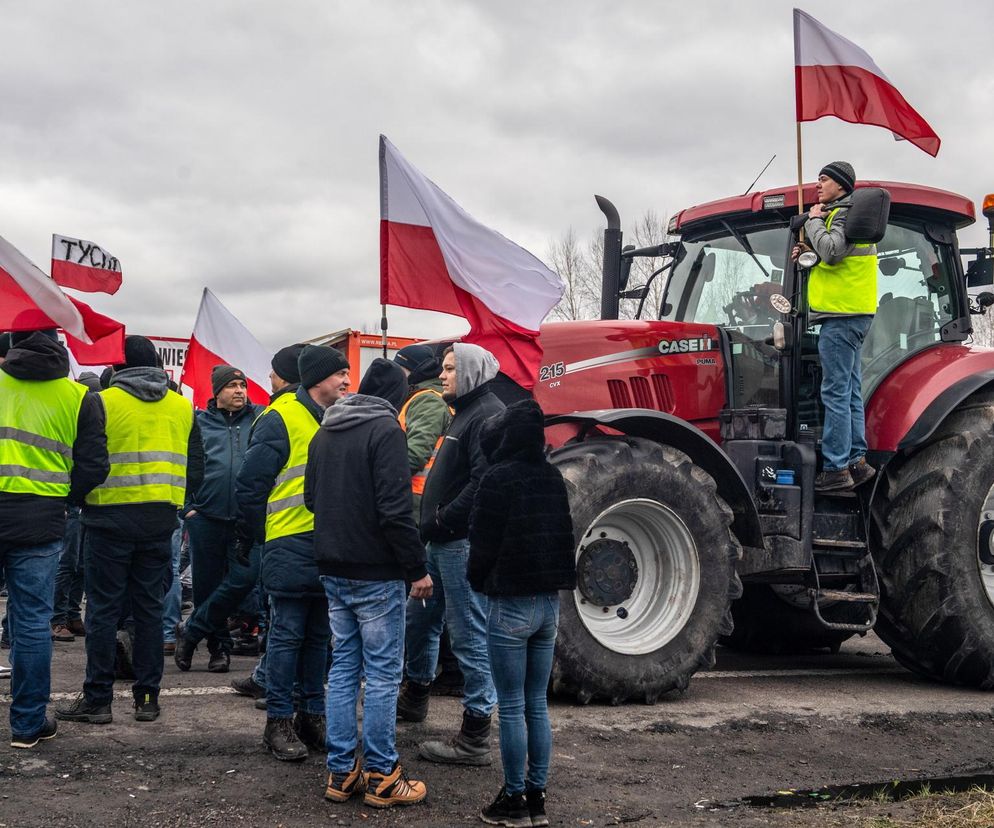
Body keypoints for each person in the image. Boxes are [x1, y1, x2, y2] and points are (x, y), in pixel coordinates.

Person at [56, 335, 203, 725]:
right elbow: (198, 467)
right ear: (156, 363)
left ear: (117, 366)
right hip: (159, 521)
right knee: (150, 612)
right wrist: (180, 504)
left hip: (107, 520)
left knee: (103, 612)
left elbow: (87, 461)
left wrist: (76, 498)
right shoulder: (181, 406)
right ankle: (147, 699)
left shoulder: (101, 401)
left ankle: (98, 699)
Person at [306, 358, 432, 808]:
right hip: (376, 572)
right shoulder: (386, 432)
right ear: (395, 398)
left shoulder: (325, 431)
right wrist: (416, 568)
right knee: (381, 675)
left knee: (342, 670)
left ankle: (342, 773)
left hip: (333, 566)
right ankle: (382, 773)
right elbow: (396, 511)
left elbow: (310, 498)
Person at [468, 399, 576, 827]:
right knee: (536, 703)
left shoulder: (497, 479)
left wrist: (478, 581)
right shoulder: (552, 477)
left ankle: (513, 800)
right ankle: (537, 798)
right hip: (549, 604)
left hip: (509, 603)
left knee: (510, 706)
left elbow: (481, 544)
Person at [237, 345, 347, 761]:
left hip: (329, 543)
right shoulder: (280, 417)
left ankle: (311, 715)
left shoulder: (337, 417)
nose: (346, 380)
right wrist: (255, 536)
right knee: (286, 635)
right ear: (317, 379)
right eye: (340, 373)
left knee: (320, 635)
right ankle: (278, 721)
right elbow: (251, 485)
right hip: (287, 541)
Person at [1, 330, 109, 748]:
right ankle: (27, 725)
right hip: (41, 518)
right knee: (31, 623)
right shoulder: (80, 396)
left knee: (28, 622)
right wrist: (65, 498)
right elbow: (94, 464)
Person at [399, 343, 504, 766]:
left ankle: (475, 735)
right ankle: (415, 697)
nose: (442, 376)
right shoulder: (465, 410)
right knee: (420, 620)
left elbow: (483, 483)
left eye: (449, 369)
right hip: (440, 542)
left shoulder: (488, 414)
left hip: (460, 543)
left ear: (473, 372)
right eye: (442, 368)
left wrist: (442, 518)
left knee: (469, 635)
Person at [793, 161, 878, 492]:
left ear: (841, 185)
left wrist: (813, 222)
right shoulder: (847, 216)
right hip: (853, 314)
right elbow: (832, 255)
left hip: (842, 317)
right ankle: (856, 461)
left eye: (824, 179)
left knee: (835, 392)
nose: (818, 184)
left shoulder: (840, 214)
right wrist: (807, 248)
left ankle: (836, 468)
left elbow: (831, 251)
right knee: (851, 390)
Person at [175, 365, 263, 673]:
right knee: (206, 586)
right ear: (217, 391)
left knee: (245, 579)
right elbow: (181, 464)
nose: (240, 390)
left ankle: (192, 631)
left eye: (243, 384)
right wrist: (187, 507)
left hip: (246, 519)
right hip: (206, 517)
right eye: (232, 386)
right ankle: (219, 650)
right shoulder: (197, 423)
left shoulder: (260, 418)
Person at [230, 344, 304, 707]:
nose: (269, 379)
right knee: (303, 623)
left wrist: (249, 532)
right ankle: (271, 679)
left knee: (287, 621)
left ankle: (281, 697)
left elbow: (251, 483)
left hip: (284, 534)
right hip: (314, 534)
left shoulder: (279, 415)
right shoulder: (326, 412)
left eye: (273, 372)